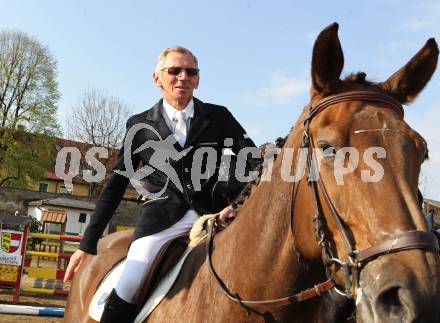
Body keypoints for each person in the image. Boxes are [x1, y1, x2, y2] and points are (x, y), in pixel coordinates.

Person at [64, 46, 260, 323]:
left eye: (190, 72)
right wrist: (88, 243)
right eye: (174, 71)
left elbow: (255, 164)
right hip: (161, 221)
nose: (183, 77)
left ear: (198, 79)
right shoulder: (139, 126)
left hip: (213, 216)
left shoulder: (219, 117)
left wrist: (238, 205)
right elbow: (115, 186)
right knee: (130, 282)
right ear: (158, 78)